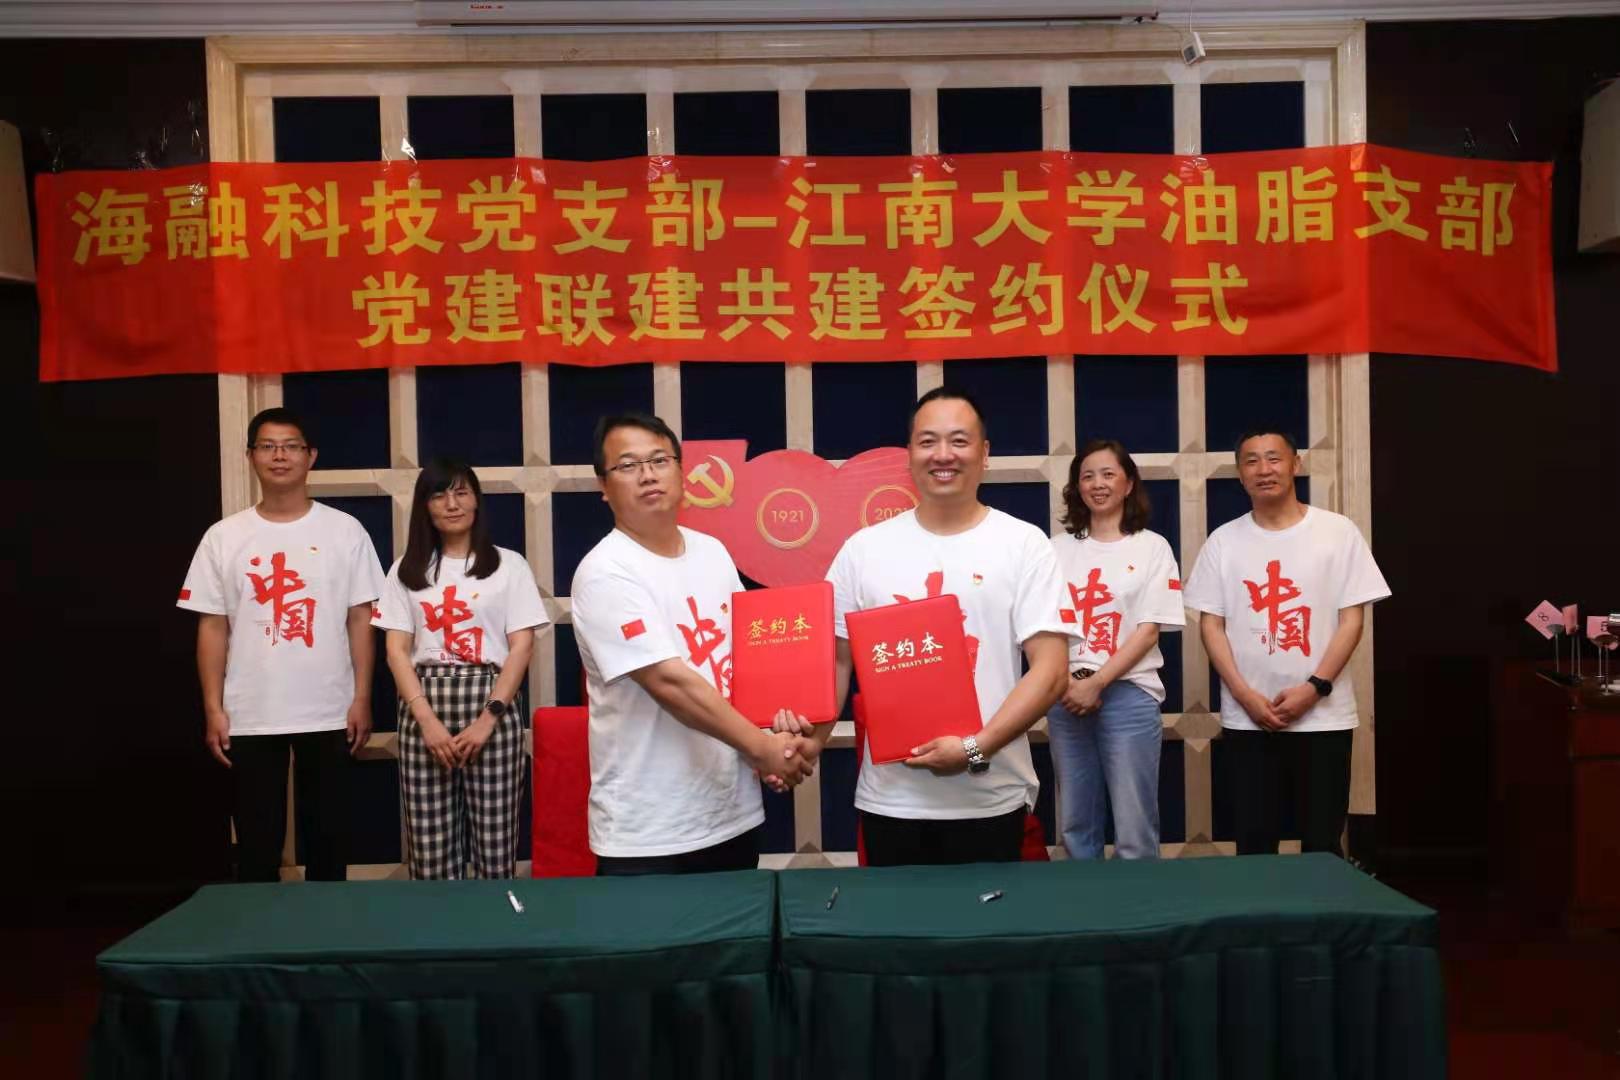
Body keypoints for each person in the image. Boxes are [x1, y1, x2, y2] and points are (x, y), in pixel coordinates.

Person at [781, 386, 1071, 867]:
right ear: (909, 454)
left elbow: (1052, 670)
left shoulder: (1023, 544)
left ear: (984, 453)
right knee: (898, 917)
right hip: (891, 800)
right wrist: (808, 743)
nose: (943, 455)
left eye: (959, 441)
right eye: (928, 441)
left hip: (989, 797)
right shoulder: (864, 549)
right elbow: (836, 662)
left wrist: (975, 748)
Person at [569, 412, 814, 876]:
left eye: (659, 460)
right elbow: (670, 682)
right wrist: (764, 749)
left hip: (731, 812)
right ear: (603, 486)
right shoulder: (605, 571)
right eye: (628, 465)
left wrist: (775, 732)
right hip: (650, 832)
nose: (647, 475)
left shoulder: (712, 552)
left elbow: (748, 659)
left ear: (682, 472)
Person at [179, 407, 385, 882]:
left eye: (291, 446)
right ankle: (260, 927)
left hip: (329, 708)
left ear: (310, 456)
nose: (279, 456)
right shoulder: (223, 537)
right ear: (250, 456)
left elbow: (361, 619)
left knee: (329, 843)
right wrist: (213, 708)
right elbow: (212, 626)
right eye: (268, 446)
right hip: (250, 711)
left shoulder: (345, 530)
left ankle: (328, 926)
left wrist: (361, 696)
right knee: (256, 845)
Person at [1183, 429, 1390, 856]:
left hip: (1324, 716)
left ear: (1296, 464)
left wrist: (1315, 687)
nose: (1264, 469)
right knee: (1254, 843)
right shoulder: (1224, 541)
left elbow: (1352, 619)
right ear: (1240, 473)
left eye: (1274, 458)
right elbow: (1211, 625)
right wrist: (1244, 695)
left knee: (1322, 842)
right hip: (1249, 718)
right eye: (1252, 461)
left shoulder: (1337, 532)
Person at [373, 458, 547, 879]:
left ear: (476, 501)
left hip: (491, 701)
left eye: (461, 492)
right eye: (439, 494)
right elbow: (396, 649)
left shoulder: (509, 565)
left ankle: (495, 919)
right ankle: (438, 921)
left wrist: (488, 719)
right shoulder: (405, 569)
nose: (451, 504)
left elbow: (522, 645)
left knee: (496, 844)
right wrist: (426, 720)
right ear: (425, 505)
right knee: (429, 848)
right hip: (423, 703)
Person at [1047, 439, 1184, 859]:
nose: (1098, 484)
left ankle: (1137, 899)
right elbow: (1043, 626)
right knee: (1075, 821)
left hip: (1128, 693)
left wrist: (1098, 682)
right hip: (1065, 693)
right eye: (1087, 476)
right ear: (1077, 487)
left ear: (1128, 484)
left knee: (1134, 822)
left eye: (1108, 474)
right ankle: (1081, 898)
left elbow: (1148, 631)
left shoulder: (1152, 547)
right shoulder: (1056, 548)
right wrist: (1067, 682)